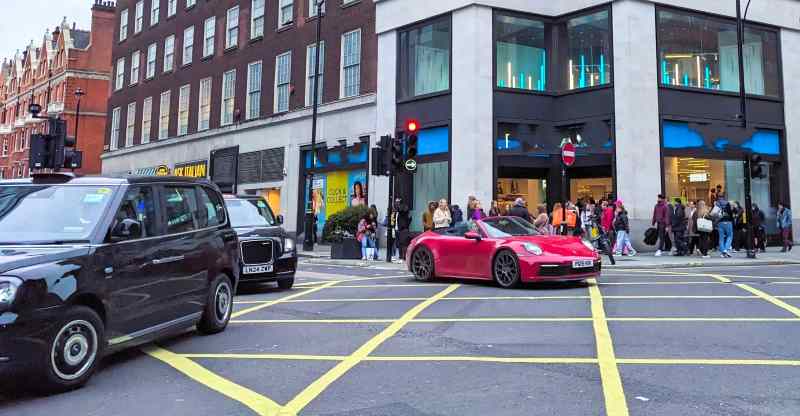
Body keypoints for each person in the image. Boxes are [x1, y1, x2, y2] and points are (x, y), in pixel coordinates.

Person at [715, 192, 734, 258]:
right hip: (728, 221)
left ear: (717, 196)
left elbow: (714, 213)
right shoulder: (727, 203)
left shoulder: (716, 203)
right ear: (724, 196)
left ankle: (723, 251)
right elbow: (731, 213)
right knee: (730, 236)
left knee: (721, 237)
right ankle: (726, 249)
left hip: (720, 222)